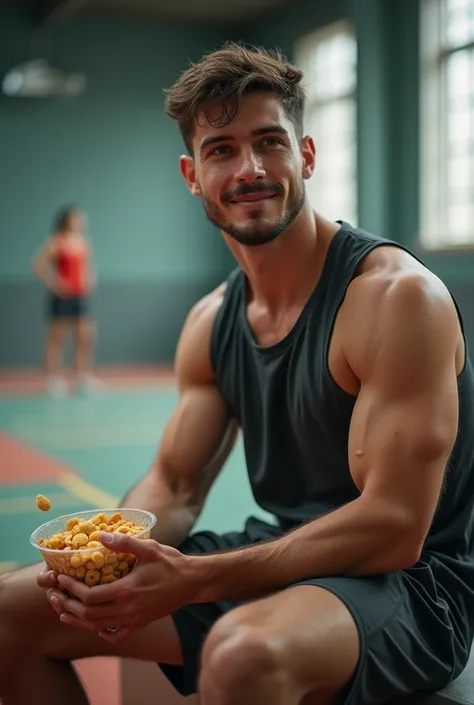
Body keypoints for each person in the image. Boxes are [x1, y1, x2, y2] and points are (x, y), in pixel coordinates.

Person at [1, 42, 473, 705]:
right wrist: (103, 556)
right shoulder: (212, 320)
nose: (249, 168)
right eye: (222, 149)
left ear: (305, 155)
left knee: (241, 654)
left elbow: (395, 526)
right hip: (286, 550)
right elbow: (174, 485)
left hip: (415, 585)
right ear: (193, 175)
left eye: (269, 142)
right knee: (12, 611)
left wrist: (197, 577)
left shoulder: (395, 299)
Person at [32, 206, 99, 397]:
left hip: (80, 296)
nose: (80, 221)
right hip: (61, 297)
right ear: (67, 221)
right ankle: (53, 379)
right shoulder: (56, 242)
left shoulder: (84, 243)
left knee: (85, 337)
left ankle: (83, 377)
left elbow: (87, 266)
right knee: (56, 339)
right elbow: (37, 265)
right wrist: (55, 282)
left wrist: (89, 278)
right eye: (76, 218)